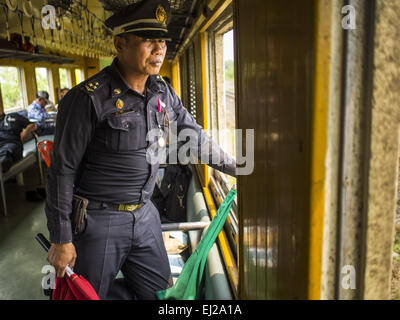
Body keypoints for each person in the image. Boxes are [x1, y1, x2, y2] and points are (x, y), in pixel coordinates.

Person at [45, 0, 236, 300]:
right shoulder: (88, 99)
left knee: (161, 295)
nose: (159, 48)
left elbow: (193, 136)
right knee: (87, 295)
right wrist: (61, 237)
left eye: (161, 40)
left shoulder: (162, 92)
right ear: (120, 44)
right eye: (148, 40)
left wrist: (237, 167)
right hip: (99, 221)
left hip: (146, 216)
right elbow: (62, 171)